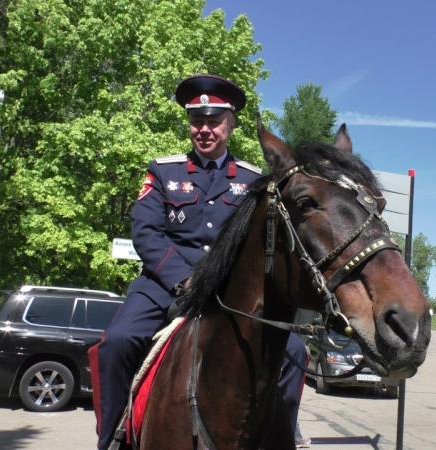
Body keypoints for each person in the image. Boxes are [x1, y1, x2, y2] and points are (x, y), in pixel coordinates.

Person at [92, 74, 308, 450]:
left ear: (230, 124)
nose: (205, 130)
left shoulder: (253, 180)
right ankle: (113, 435)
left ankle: (282, 433)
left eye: (214, 121)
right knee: (117, 342)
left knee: (294, 352)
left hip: (227, 293)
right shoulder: (163, 171)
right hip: (164, 285)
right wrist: (186, 280)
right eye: (197, 121)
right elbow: (146, 234)